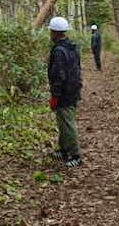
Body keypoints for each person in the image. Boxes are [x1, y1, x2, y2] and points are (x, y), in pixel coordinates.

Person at [47, 16, 83, 167]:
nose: (50, 34)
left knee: (67, 123)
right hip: (73, 90)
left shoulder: (59, 51)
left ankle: (75, 155)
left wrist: (55, 96)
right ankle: (63, 150)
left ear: (56, 33)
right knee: (62, 121)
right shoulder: (71, 47)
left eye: (51, 31)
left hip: (65, 93)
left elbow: (58, 76)